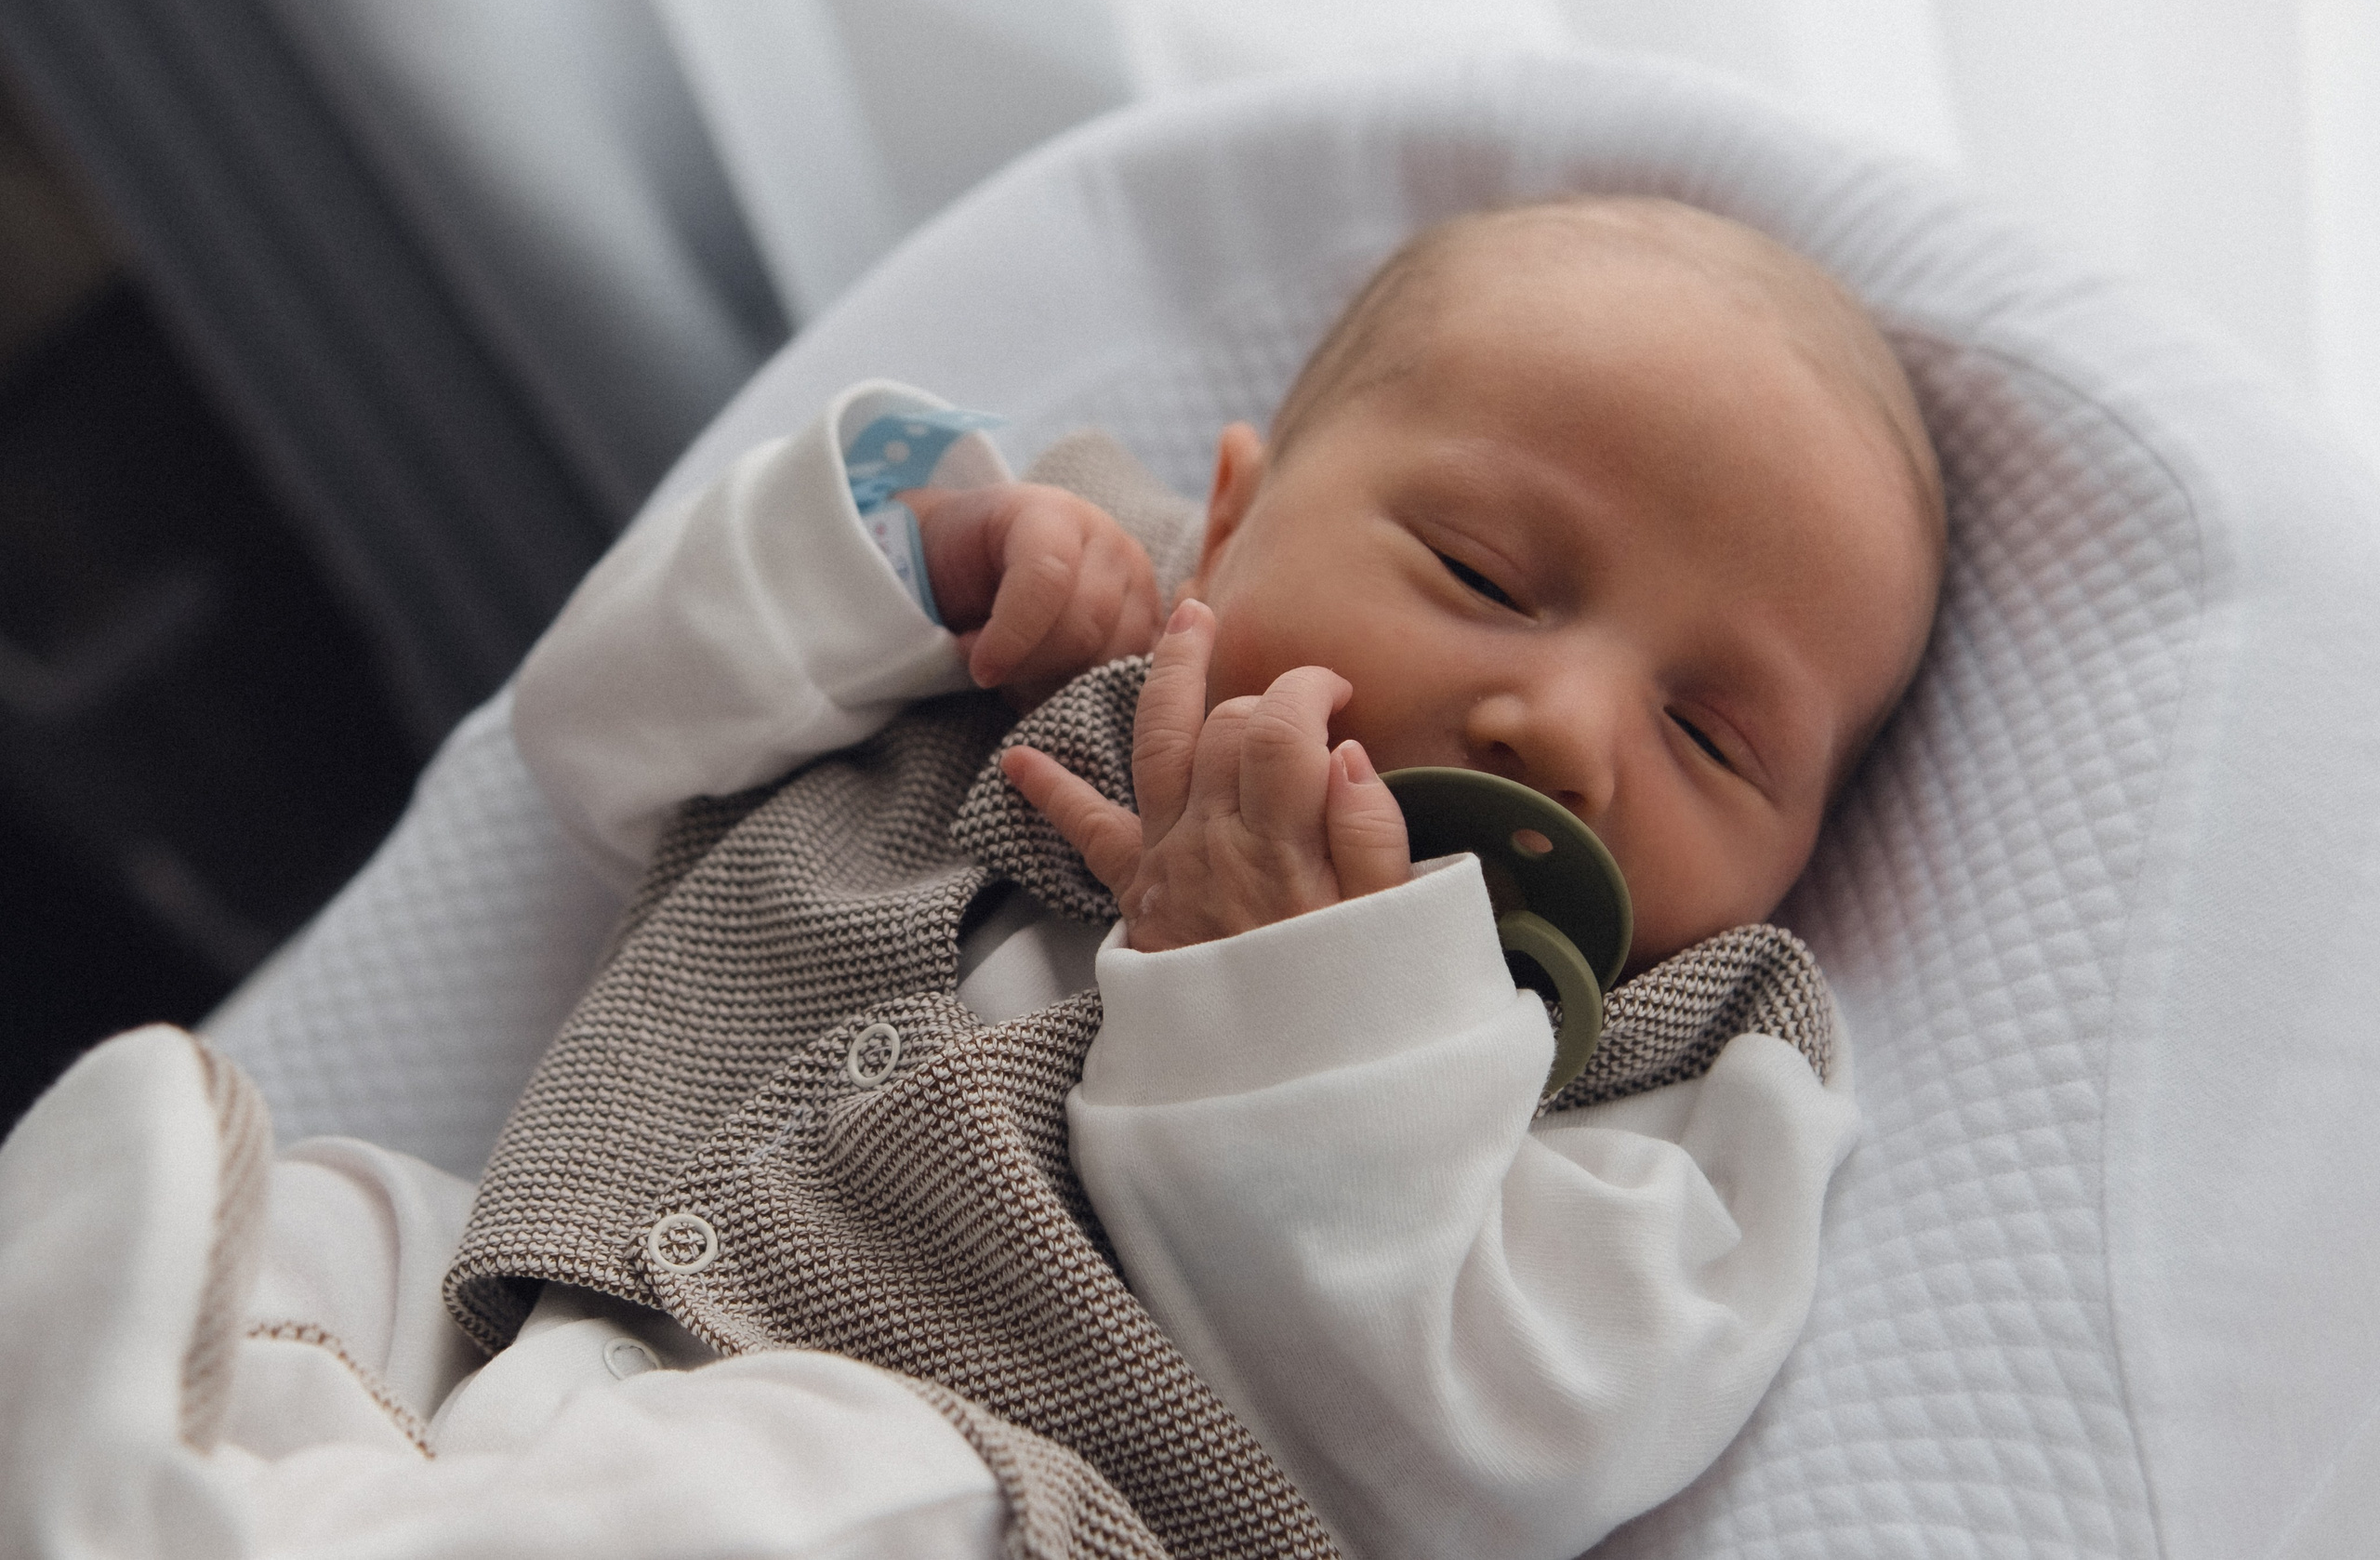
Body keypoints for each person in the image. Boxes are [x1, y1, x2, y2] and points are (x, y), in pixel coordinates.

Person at [0, 197, 1942, 1560]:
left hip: (997, 1489)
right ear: (1232, 523)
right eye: (1483, 574)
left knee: (836, 1478)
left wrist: (1297, 998)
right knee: (304, 1215)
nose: (1561, 725)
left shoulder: (1673, 1064)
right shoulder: (1033, 626)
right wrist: (904, 568)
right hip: (528, 1309)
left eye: (1713, 738)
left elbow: (1498, 1453)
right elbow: (595, 744)